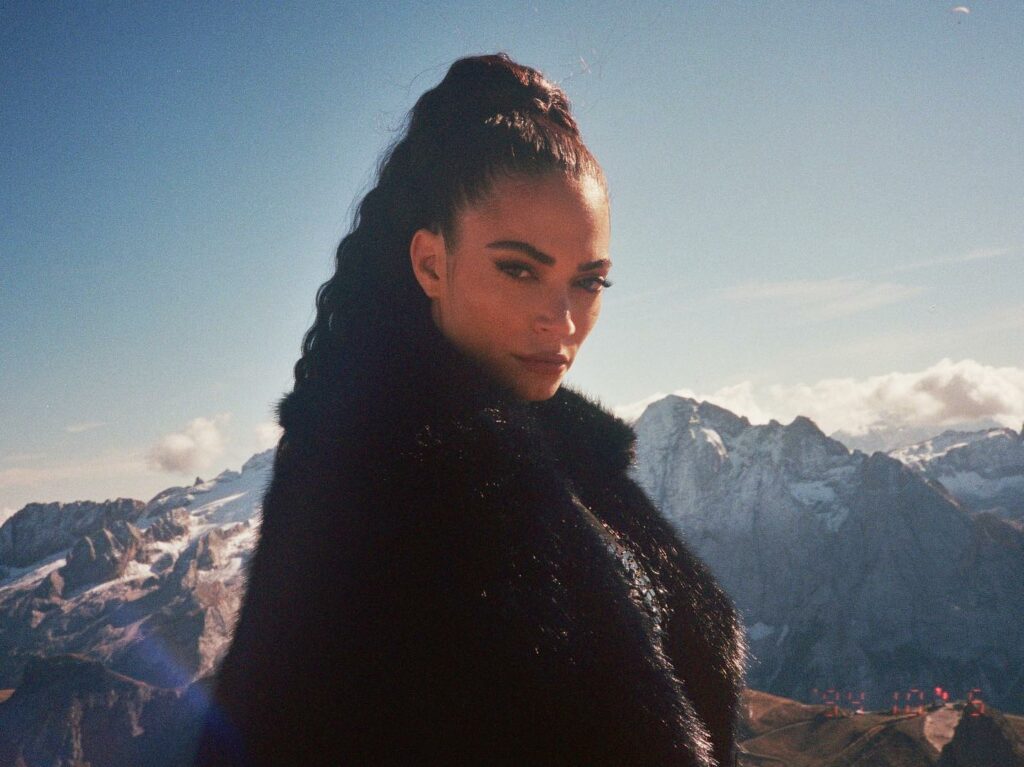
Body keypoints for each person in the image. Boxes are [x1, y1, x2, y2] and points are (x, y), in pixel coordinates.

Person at [194, 53, 745, 766]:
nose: (563, 321)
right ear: (431, 262)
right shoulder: (372, 486)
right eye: (519, 269)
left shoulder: (559, 458)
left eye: (589, 282)